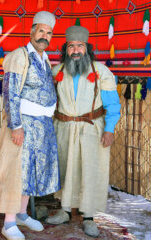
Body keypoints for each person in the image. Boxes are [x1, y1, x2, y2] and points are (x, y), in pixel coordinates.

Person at [45, 25, 121, 237]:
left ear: (87, 48)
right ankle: (65, 211)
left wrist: (109, 129)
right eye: (71, 46)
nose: (76, 50)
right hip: (63, 128)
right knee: (66, 169)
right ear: (65, 49)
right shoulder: (56, 72)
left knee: (90, 171)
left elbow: (113, 105)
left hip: (92, 129)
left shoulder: (101, 71)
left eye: (80, 46)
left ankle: (88, 217)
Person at [0, 11, 60, 240]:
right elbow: (10, 92)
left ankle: (22, 214)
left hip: (41, 126)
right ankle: (9, 222)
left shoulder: (44, 58)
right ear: (32, 31)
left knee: (30, 172)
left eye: (49, 33)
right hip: (22, 125)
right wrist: (16, 126)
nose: (45, 36)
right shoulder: (19, 55)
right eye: (41, 30)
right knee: (15, 172)